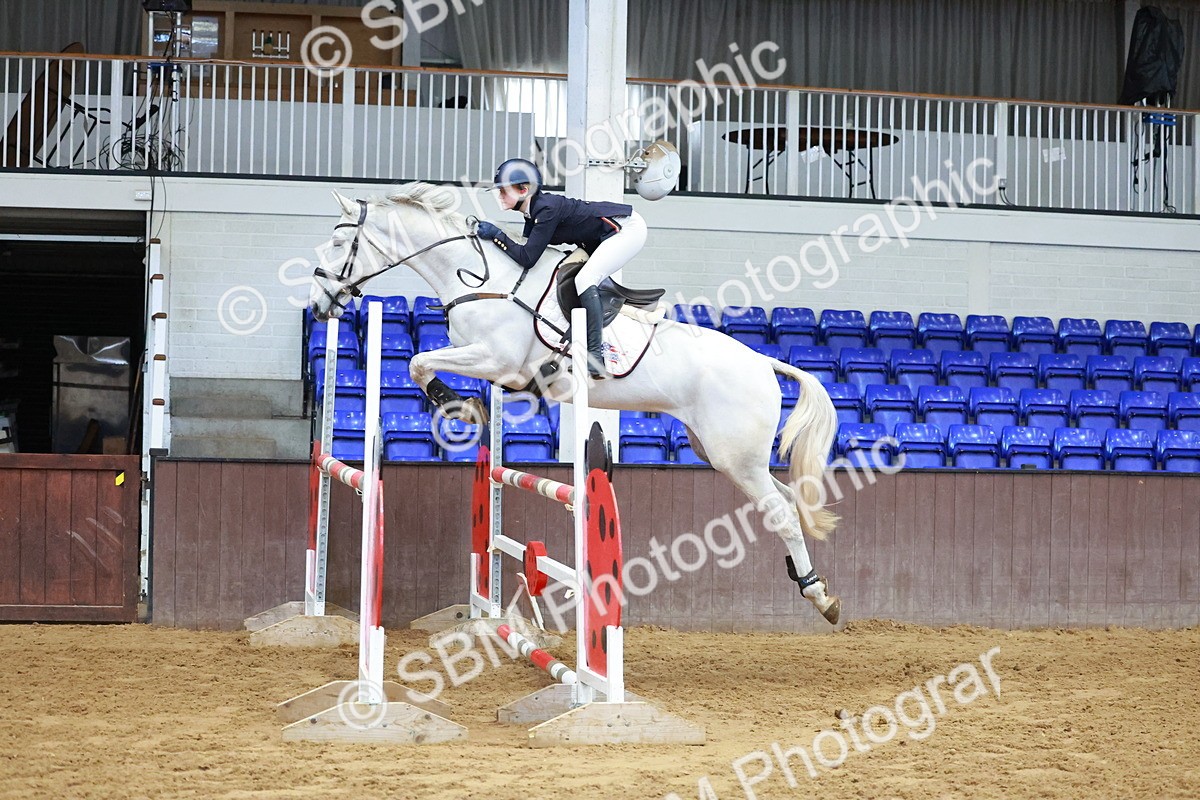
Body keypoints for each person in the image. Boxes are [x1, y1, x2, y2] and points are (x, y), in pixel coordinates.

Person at [476, 158, 648, 379]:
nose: (499, 195)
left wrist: (497, 235)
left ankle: (595, 357)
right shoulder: (533, 214)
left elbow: (527, 258)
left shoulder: (545, 209)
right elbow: (524, 256)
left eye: (503, 190)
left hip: (626, 229)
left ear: (523, 190)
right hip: (598, 239)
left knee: (585, 279)